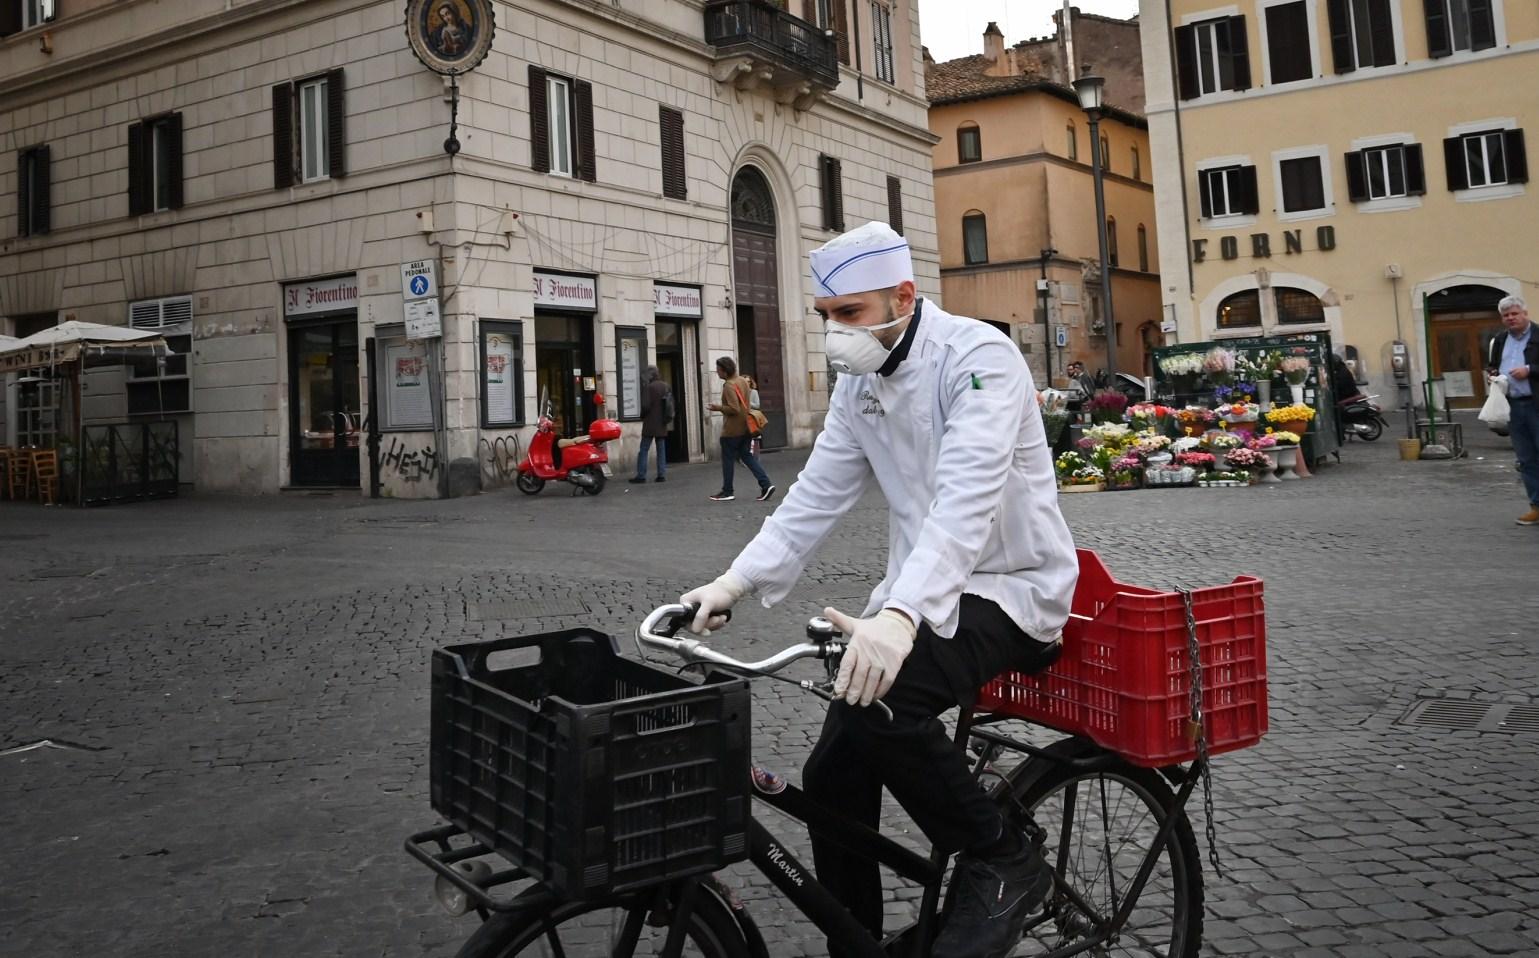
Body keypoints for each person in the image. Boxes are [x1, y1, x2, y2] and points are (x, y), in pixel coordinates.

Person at [681, 221, 1077, 958]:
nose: (836, 334)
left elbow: (968, 499)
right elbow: (814, 496)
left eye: (851, 315)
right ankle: (854, 941)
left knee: (889, 705)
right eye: (827, 317)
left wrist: (899, 616)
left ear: (904, 295)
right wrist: (731, 582)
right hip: (921, 594)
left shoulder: (977, 355)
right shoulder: (859, 382)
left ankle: (1002, 858)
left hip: (1013, 589)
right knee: (831, 771)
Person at [1487, 295, 1539, 525]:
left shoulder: (1538, 335)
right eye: (1506, 315)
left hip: (1536, 404)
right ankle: (1536, 506)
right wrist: (1493, 374)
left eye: (1514, 313)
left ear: (1525, 313)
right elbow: (1493, 364)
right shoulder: (1499, 340)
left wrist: (1530, 369)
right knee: (1526, 459)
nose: (1510, 318)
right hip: (1514, 406)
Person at [706, 356, 774, 502]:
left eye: (718, 370)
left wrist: (716, 407)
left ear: (725, 371)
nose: (717, 373)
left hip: (732, 429)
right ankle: (766, 484)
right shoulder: (743, 381)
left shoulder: (729, 385)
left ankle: (727, 491)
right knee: (747, 456)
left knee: (728, 460)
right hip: (746, 427)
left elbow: (734, 408)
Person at [629, 366, 671, 484]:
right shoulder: (665, 386)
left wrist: (642, 416)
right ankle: (661, 474)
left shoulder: (649, 387)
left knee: (644, 449)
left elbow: (646, 406)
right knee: (661, 449)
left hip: (650, 422)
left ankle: (641, 475)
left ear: (651, 375)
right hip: (662, 422)